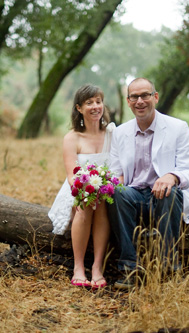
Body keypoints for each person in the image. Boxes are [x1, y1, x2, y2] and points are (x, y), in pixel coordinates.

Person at [108, 77, 189, 289]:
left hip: (165, 199)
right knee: (116, 192)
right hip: (134, 197)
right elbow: (116, 173)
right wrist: (110, 185)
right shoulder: (120, 133)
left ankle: (168, 267)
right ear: (128, 101)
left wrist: (172, 176)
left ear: (155, 97)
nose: (140, 101)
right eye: (134, 97)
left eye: (145, 95)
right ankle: (129, 268)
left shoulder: (178, 128)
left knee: (170, 190)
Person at [48, 84, 115, 289]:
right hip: (77, 187)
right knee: (87, 203)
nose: (95, 106)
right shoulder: (72, 138)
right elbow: (71, 175)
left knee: (101, 201)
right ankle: (78, 267)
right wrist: (84, 191)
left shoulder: (112, 134)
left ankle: (97, 267)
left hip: (107, 188)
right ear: (79, 108)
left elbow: (118, 167)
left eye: (98, 101)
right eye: (89, 103)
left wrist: (105, 186)